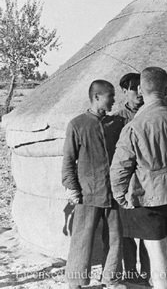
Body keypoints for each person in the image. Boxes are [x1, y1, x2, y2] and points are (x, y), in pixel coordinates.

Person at [110, 67, 167, 289]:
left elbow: (119, 168)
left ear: (140, 89)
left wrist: (121, 196)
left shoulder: (135, 127)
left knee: (155, 250)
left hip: (149, 197)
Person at [62, 80, 126, 289]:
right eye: (111, 96)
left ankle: (110, 279)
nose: (114, 100)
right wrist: (72, 188)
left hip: (113, 192)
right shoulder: (77, 124)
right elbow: (68, 161)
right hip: (87, 193)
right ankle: (76, 281)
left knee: (115, 238)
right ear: (97, 97)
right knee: (82, 238)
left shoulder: (116, 124)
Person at [113, 72, 150, 284]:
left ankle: (147, 269)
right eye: (134, 88)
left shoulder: (151, 114)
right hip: (127, 181)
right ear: (125, 92)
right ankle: (130, 271)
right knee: (126, 230)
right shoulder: (117, 119)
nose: (139, 93)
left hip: (147, 180)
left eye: (142, 88)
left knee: (148, 226)